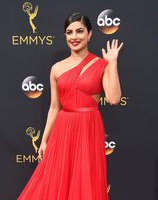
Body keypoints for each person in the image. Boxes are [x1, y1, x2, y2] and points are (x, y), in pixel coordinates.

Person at [18, 12, 123, 200]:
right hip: (63, 129)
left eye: (80, 31)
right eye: (69, 32)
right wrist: (44, 139)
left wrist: (113, 63)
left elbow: (114, 98)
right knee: (57, 178)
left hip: (88, 127)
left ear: (90, 34)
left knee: (85, 179)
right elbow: (54, 107)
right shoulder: (57, 68)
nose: (74, 37)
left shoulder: (101, 64)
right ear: (65, 36)